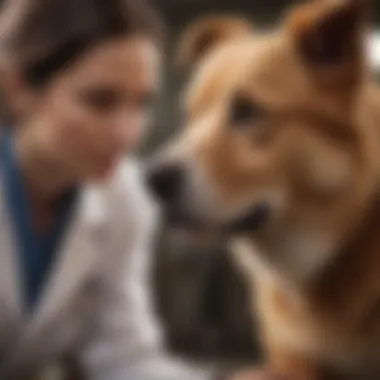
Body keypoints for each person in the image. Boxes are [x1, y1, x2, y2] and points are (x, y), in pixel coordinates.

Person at [0, 0, 220, 378]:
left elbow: (125, 357)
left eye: (142, 103)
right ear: (18, 87)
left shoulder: (125, 197)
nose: (127, 133)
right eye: (100, 101)